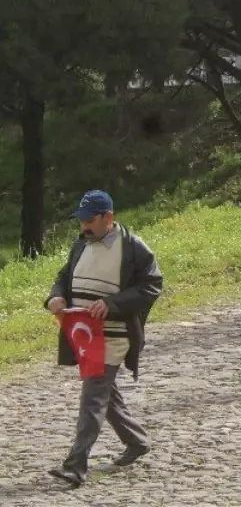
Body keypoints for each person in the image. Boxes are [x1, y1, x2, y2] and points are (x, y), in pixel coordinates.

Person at [44, 190, 163, 488]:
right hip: (85, 337)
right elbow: (64, 276)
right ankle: (136, 441)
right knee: (105, 396)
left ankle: (75, 466)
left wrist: (112, 304)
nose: (83, 225)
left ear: (107, 217)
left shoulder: (133, 247)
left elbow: (152, 285)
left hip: (113, 337)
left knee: (92, 398)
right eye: (81, 220)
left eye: (89, 220)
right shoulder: (81, 244)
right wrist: (56, 296)